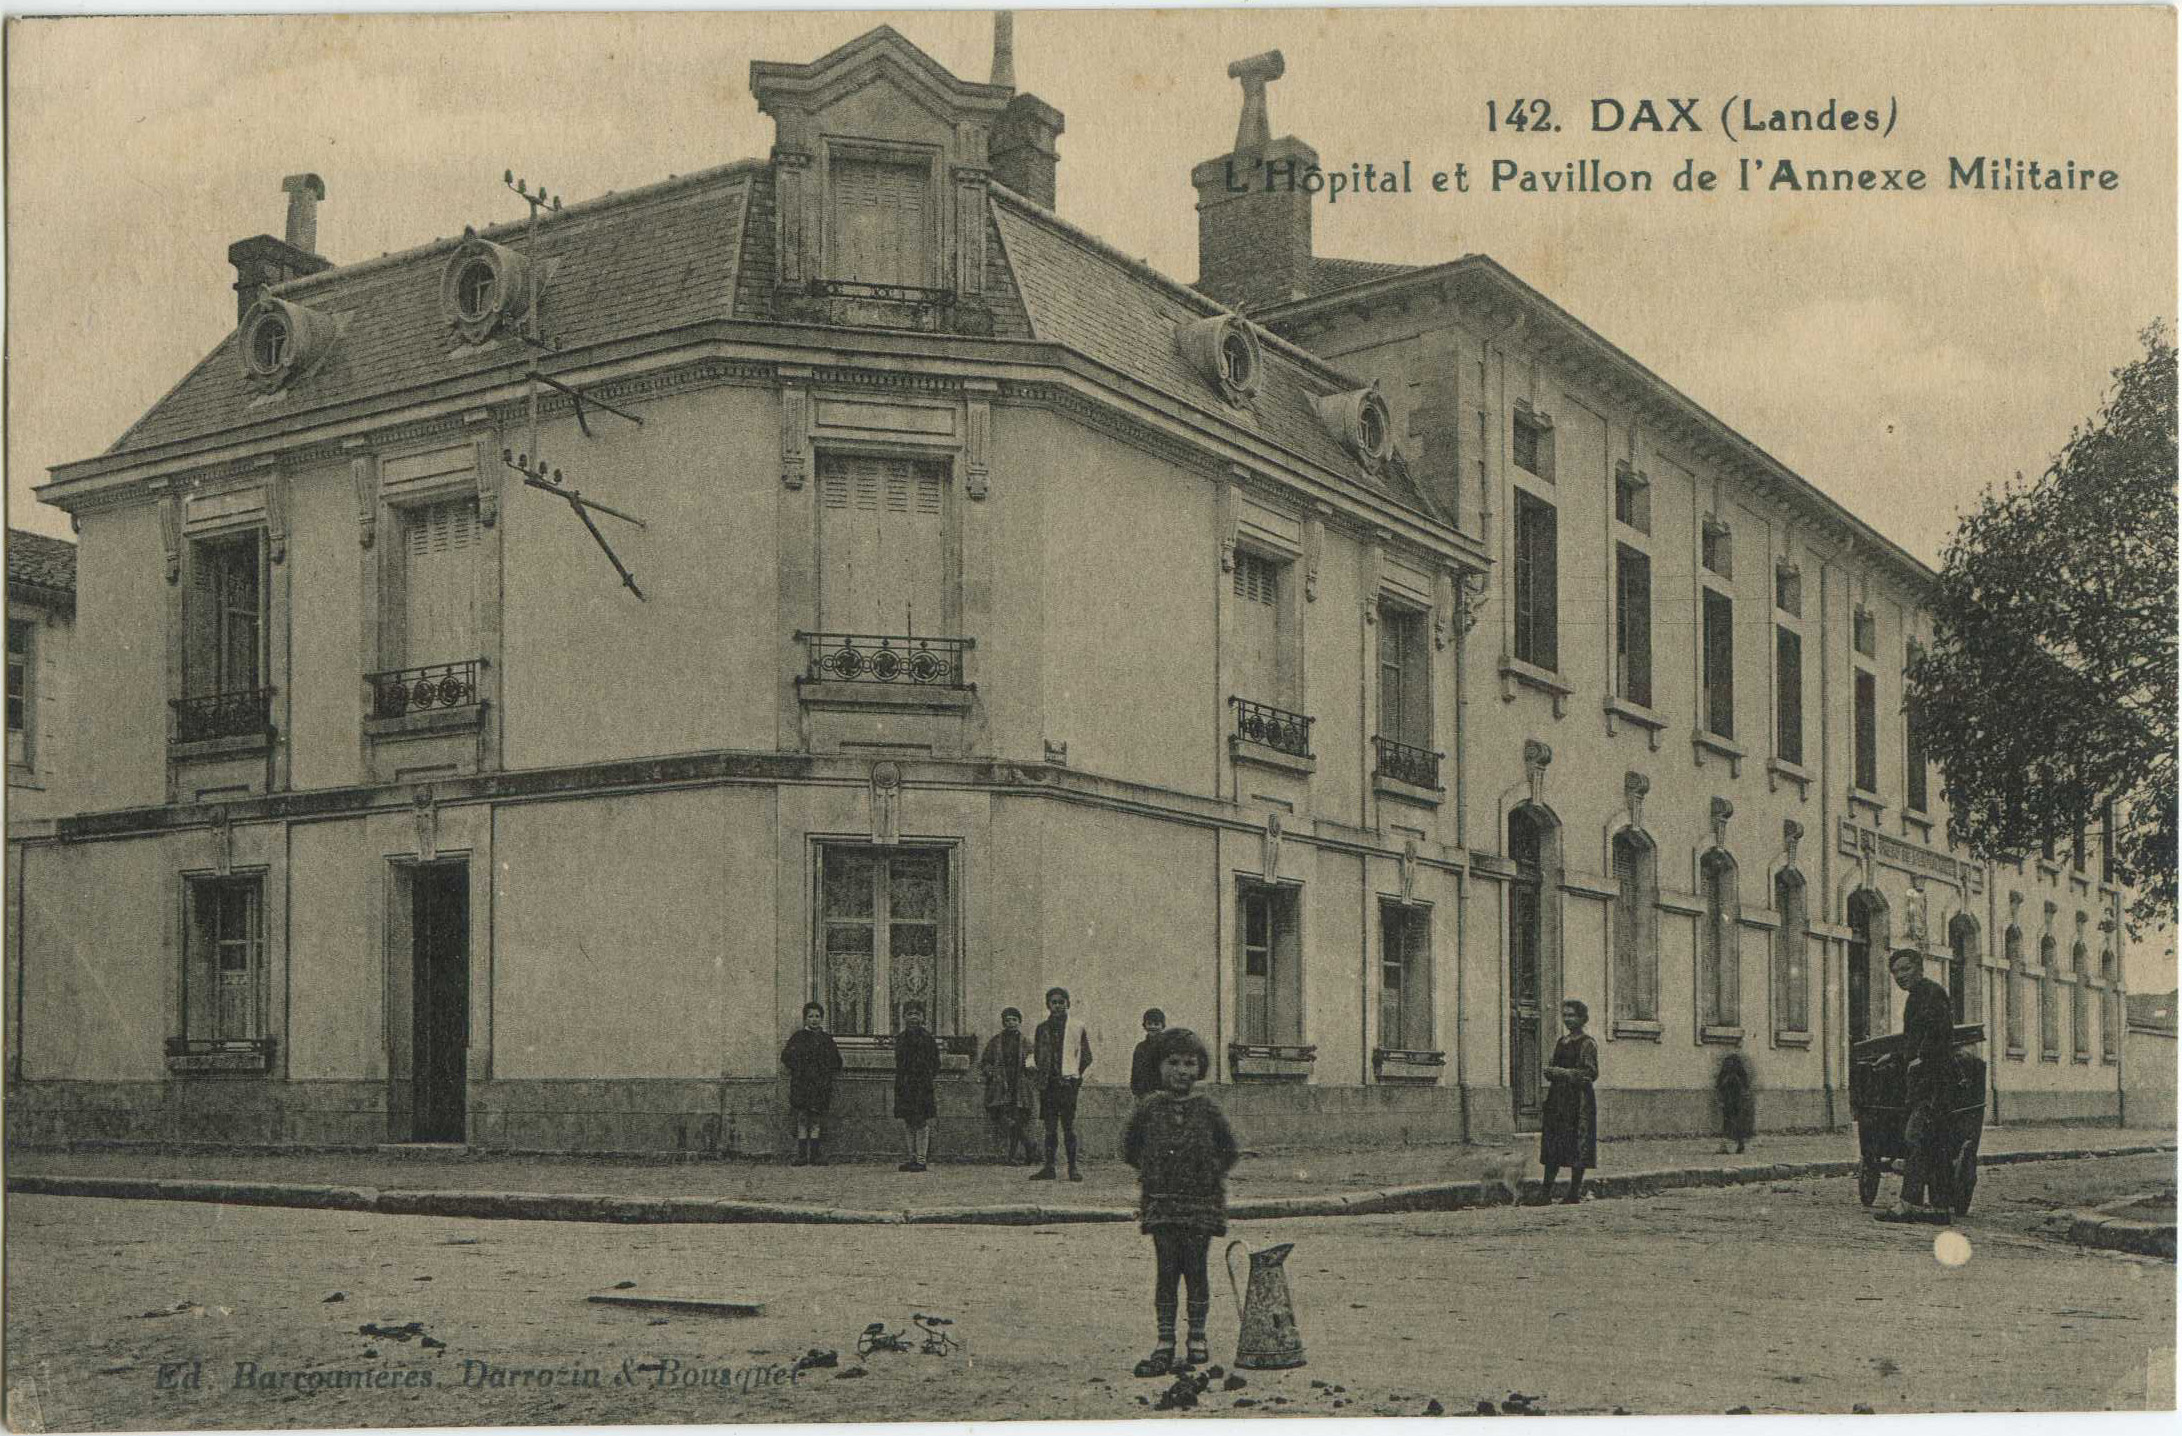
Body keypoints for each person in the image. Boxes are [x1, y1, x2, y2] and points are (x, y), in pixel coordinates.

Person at [1121, 1027, 1237, 1377]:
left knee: (1197, 1268)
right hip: (1161, 1202)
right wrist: (1154, 1171)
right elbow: (1128, 1147)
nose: (1181, 1071)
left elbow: (1229, 1149)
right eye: (1173, 1062)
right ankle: (1165, 1340)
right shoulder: (1149, 1108)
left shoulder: (1208, 1109)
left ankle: (1197, 1336)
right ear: (1158, 1066)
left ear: (1200, 1068)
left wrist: (1206, 1176)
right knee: (1167, 1269)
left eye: (1190, 1063)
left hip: (1200, 1205)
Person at [1876, 947, 1959, 1225]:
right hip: (1924, 1080)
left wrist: (1921, 1058)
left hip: (1933, 1082)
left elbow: (1940, 1035)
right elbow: (1916, 1037)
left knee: (1916, 1137)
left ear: (1920, 968)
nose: (1900, 976)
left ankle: (1908, 1203)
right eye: (1895, 972)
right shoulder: (1916, 997)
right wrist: (1899, 1056)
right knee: (1934, 1142)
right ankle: (1941, 1207)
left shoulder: (1932, 994)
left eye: (1905, 969)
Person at [1029, 986, 1093, 1181]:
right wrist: (1042, 1073)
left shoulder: (1077, 1027)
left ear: (1068, 1004)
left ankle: (1073, 1168)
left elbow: (1086, 1056)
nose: (1058, 1006)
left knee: (1068, 1127)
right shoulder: (1042, 1028)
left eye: (1061, 1002)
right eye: (1053, 1002)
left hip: (1067, 1085)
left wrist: (1074, 1075)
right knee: (1049, 1128)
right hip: (1048, 1085)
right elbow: (1038, 1055)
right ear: (1048, 1005)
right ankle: (1049, 1167)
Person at [1539, 998, 1598, 1205]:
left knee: (1576, 1144)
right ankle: (1545, 1192)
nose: (1568, 1019)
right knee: (1553, 1142)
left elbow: (1590, 1073)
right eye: (1565, 1015)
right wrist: (1550, 1073)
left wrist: (1562, 1073)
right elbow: (1554, 1066)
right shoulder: (1561, 1042)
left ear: (1583, 1018)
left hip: (1578, 1100)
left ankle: (1574, 1192)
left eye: (1572, 1015)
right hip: (1558, 1098)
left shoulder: (1587, 1043)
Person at [781, 1002, 843, 1166]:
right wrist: (800, 1068)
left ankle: (815, 1155)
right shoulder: (798, 1037)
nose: (814, 1020)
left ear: (822, 1019)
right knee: (802, 1118)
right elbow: (786, 1057)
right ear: (805, 1019)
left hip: (820, 1085)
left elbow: (836, 1061)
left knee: (816, 1119)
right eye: (810, 1016)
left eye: (817, 1016)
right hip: (801, 1084)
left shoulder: (826, 1039)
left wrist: (824, 1070)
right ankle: (802, 1155)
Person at [978, 1006, 1036, 1164]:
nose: (1011, 1023)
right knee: (1002, 1116)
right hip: (1000, 1085)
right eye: (1008, 1020)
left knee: (1017, 1119)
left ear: (1019, 1022)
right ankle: (1029, 1145)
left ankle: (1012, 1157)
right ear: (1003, 1023)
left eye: (1014, 1020)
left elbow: (1033, 1062)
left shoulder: (1026, 1042)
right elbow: (985, 1061)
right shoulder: (995, 1041)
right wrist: (990, 1071)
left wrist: (1031, 1068)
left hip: (1019, 1085)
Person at [894, 1000, 941, 1173]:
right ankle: (911, 1157)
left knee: (921, 1122)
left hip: (922, 1086)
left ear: (923, 1017)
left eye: (917, 1014)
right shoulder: (900, 1039)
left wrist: (925, 1078)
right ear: (904, 1017)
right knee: (908, 1121)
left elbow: (935, 1063)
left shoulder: (928, 1039)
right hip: (905, 1086)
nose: (913, 1018)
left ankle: (921, 1159)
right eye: (909, 1014)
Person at [1715, 1050, 1756, 1155]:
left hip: (1732, 1104)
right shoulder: (1739, 1077)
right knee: (1736, 1125)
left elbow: (1722, 1087)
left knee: (1730, 1125)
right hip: (1735, 1104)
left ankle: (1729, 1147)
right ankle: (1738, 1146)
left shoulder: (1730, 1077)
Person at [1130, 1008, 1168, 1101]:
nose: (1152, 1027)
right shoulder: (1140, 1047)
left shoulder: (1167, 1046)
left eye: (1156, 1024)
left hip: (1162, 1095)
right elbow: (1135, 1071)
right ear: (1145, 1025)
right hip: (1144, 1095)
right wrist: (1135, 1092)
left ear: (1162, 1026)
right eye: (1149, 1024)